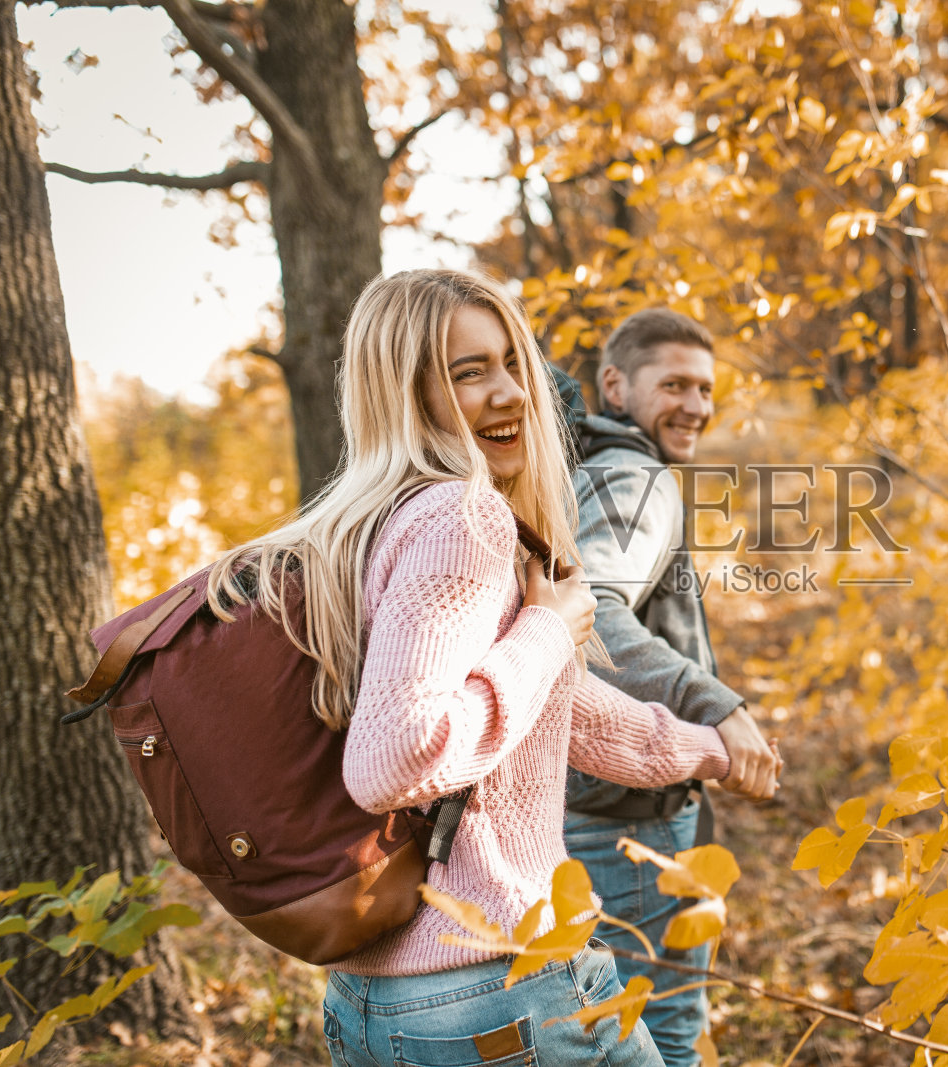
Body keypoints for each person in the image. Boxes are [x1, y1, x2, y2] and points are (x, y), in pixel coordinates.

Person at [206, 270, 742, 1067]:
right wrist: (551, 629)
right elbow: (394, 757)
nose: (514, 393)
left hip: (373, 994)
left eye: (511, 364)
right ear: (404, 391)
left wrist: (710, 747)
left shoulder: (357, 527)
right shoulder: (461, 516)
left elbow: (565, 708)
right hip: (503, 981)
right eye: (469, 372)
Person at [562, 308, 782, 1067]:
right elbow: (587, 610)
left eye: (706, 388)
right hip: (629, 819)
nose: (696, 405)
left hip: (574, 803)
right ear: (615, 385)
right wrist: (716, 704)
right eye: (675, 384)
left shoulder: (578, 467)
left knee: (596, 1032)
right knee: (665, 1033)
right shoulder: (636, 475)